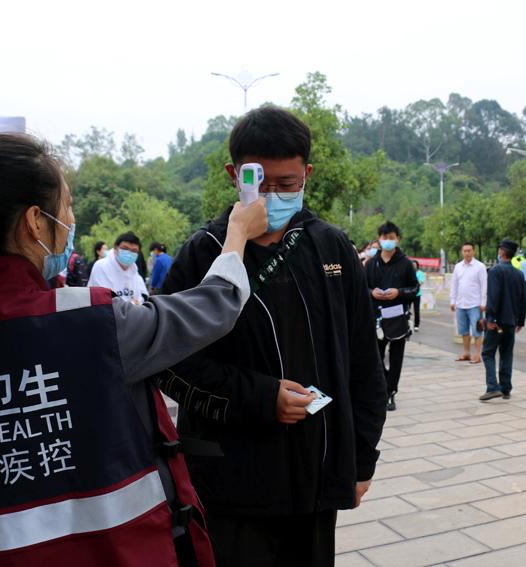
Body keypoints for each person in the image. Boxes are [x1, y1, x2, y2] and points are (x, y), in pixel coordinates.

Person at [0, 133, 268, 566]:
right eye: (67, 207)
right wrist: (238, 231)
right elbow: (214, 306)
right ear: (35, 222)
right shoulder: (93, 322)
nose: (70, 222)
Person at [156, 107, 387, 567]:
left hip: (315, 478)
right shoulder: (205, 251)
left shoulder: (331, 246)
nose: (274, 196)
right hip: (231, 483)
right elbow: (168, 361)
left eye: (288, 183)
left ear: (307, 174)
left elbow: (363, 359)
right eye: (260, 183)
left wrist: (361, 461)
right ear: (234, 174)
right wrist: (260, 398)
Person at [365, 221, 420, 412]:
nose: (387, 241)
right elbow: (361, 288)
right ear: (379, 240)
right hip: (376, 318)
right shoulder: (371, 264)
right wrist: (372, 293)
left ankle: (391, 392)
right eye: (384, 237)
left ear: (398, 239)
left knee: (396, 359)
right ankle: (383, 387)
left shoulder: (405, 264)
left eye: (391, 238)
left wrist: (399, 292)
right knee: (376, 358)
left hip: (398, 318)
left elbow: (415, 288)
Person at [479, 239, 526, 401]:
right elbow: (523, 299)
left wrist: (490, 318)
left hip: (496, 321)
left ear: (501, 252)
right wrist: (520, 321)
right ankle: (505, 388)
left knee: (487, 353)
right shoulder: (519, 274)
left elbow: (493, 297)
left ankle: (492, 387)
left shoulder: (495, 271)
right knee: (506, 354)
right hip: (511, 322)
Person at [449, 242, 487, 364]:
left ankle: (477, 355)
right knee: (463, 330)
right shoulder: (458, 267)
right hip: (460, 303)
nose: (467, 253)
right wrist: (452, 300)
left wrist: (483, 302)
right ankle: (466, 352)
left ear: (473, 252)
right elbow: (454, 284)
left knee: (477, 330)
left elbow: (484, 286)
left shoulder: (480, 266)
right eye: (464, 251)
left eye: (469, 250)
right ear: (462, 252)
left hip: (475, 304)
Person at [87, 232, 149, 304]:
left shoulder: (134, 270)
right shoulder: (101, 266)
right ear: (116, 248)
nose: (129, 253)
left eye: (134, 250)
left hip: (131, 314)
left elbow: (144, 294)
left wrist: (138, 301)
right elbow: (105, 300)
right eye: (125, 248)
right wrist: (133, 304)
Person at [412, 260, 425, 331]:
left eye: (415, 265)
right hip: (408, 294)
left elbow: (420, 282)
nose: (413, 266)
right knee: (406, 309)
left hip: (417, 294)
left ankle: (416, 325)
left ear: (417, 265)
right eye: (412, 265)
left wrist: (413, 282)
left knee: (416, 310)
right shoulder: (409, 272)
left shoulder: (420, 273)